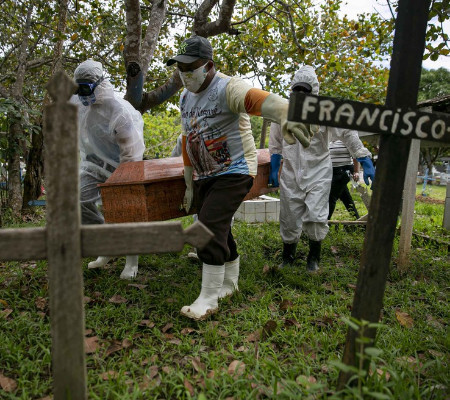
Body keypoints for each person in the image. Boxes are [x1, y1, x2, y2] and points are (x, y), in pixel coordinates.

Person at [166, 36, 315, 320]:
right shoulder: (185, 98)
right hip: (205, 174)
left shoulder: (228, 87)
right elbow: (187, 137)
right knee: (219, 225)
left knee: (207, 226)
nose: (184, 74)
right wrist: (188, 180)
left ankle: (208, 298)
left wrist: (285, 111)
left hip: (234, 170)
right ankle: (230, 283)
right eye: (180, 68)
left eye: (190, 67)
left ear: (208, 66)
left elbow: (259, 100)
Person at [269, 65, 375, 272]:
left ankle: (313, 258)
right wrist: (274, 167)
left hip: (318, 172)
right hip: (291, 172)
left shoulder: (325, 112)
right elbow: (275, 143)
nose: (301, 94)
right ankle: (288, 257)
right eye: (297, 90)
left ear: (314, 91)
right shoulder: (283, 112)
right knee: (289, 216)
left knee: (316, 216)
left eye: (305, 90)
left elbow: (348, 133)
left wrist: (363, 158)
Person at [73, 59, 145, 279]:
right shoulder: (79, 106)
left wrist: (123, 180)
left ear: (99, 84)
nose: (82, 95)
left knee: (124, 211)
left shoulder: (120, 111)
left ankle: (132, 261)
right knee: (80, 201)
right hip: (93, 164)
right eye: (78, 89)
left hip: (122, 167)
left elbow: (130, 151)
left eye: (86, 88)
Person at [328, 140, 368, 220]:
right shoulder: (329, 141)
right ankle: (356, 220)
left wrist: (356, 172)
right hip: (332, 171)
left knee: (331, 197)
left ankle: (324, 222)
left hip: (344, 170)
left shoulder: (346, 139)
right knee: (345, 197)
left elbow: (355, 155)